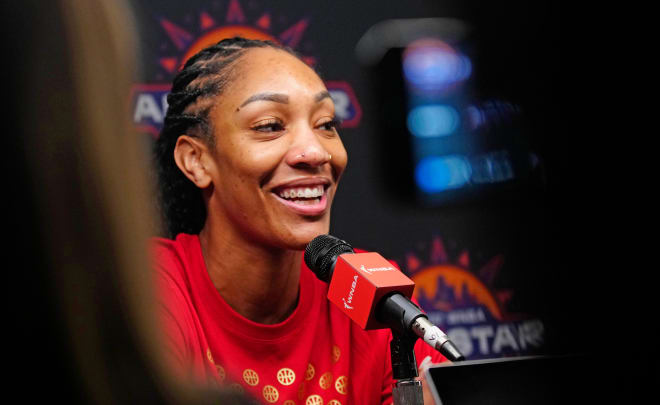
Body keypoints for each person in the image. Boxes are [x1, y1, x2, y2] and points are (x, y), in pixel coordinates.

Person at [152, 37, 446, 405]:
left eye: (326, 123)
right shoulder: (149, 287)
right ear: (196, 160)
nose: (316, 152)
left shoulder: (371, 292)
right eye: (270, 125)